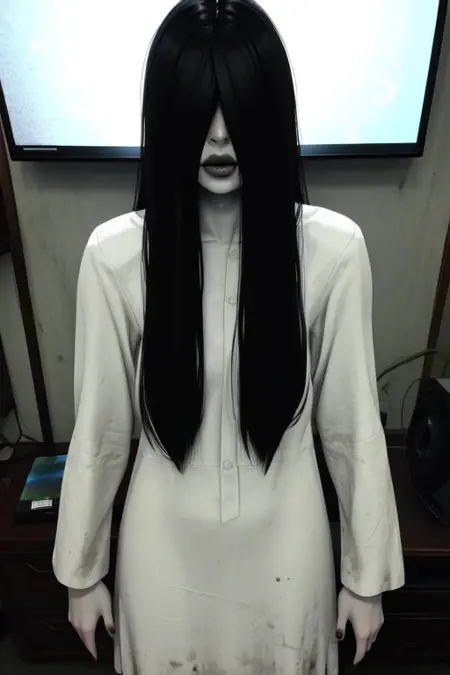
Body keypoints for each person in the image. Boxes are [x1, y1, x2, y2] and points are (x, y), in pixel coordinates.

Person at [53, 1, 404, 673]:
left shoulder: (333, 251)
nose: (218, 135)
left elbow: (351, 426)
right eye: (198, 108)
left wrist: (365, 578)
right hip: (161, 550)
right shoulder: (114, 256)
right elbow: (101, 431)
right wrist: (82, 570)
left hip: (288, 541)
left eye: (236, 107)